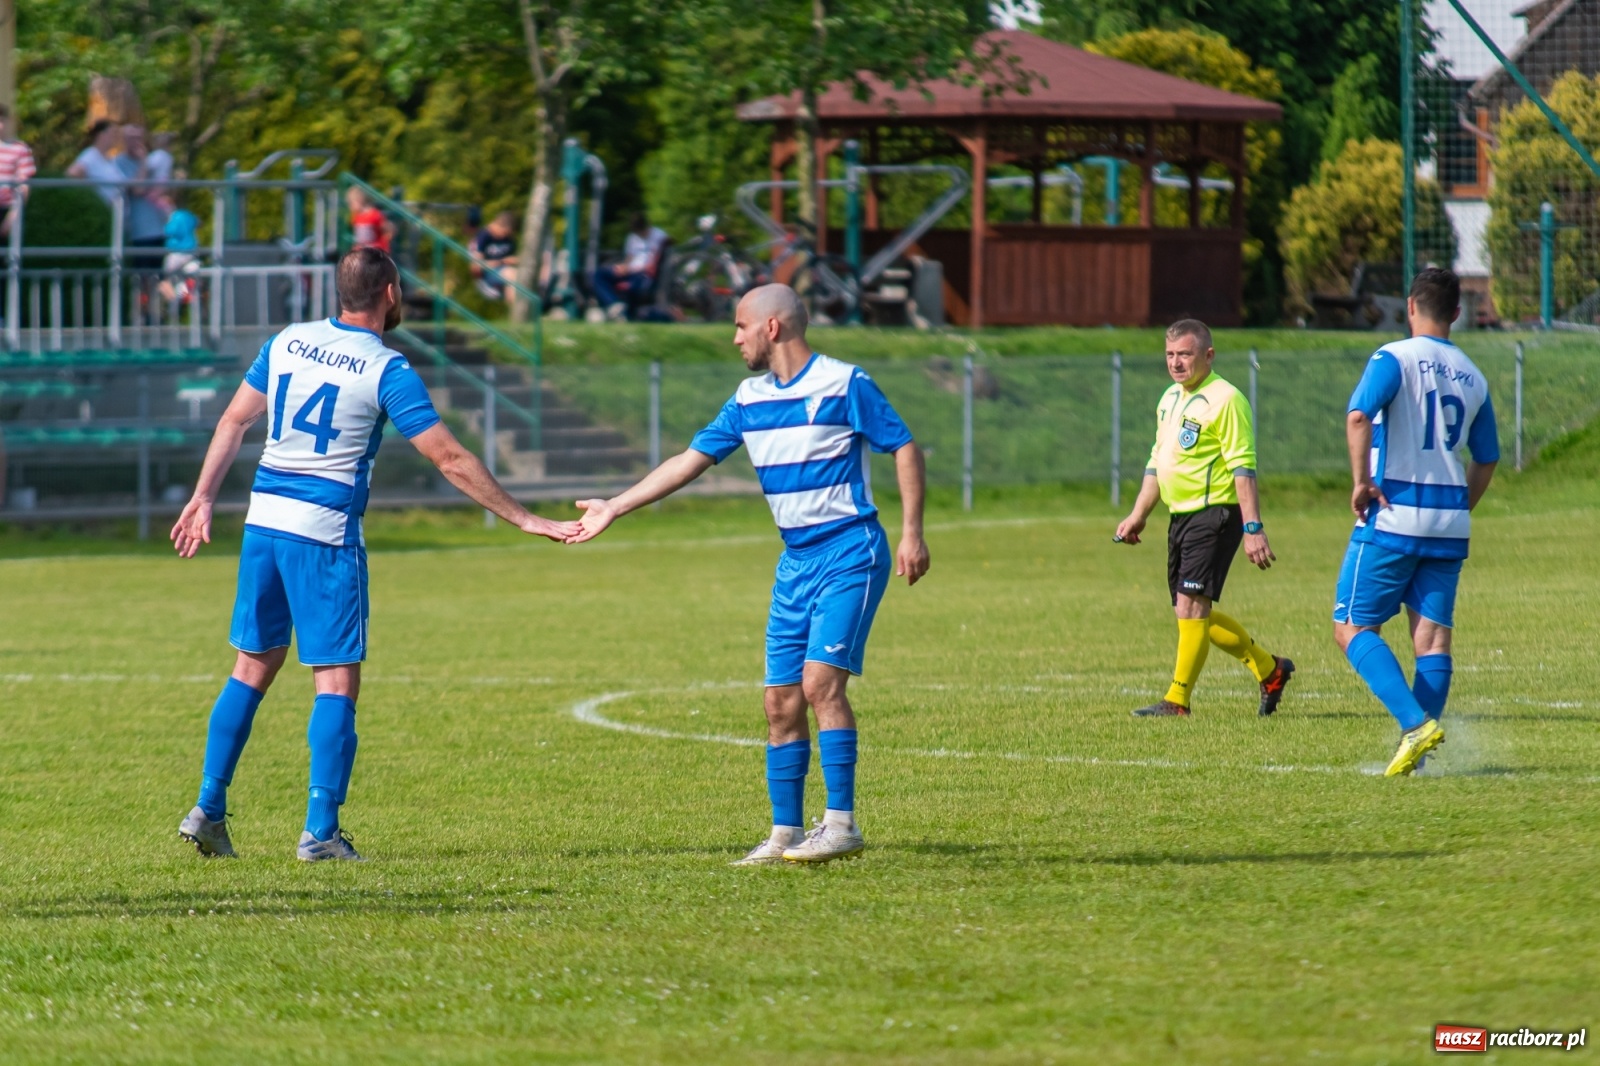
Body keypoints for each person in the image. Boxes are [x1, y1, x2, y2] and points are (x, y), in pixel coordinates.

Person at [171, 246, 580, 862]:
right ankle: (320, 833)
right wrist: (524, 517)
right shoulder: (387, 368)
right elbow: (449, 457)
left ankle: (207, 807)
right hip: (325, 531)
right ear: (390, 293)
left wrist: (203, 497)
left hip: (264, 522)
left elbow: (233, 421)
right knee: (335, 679)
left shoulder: (288, 340)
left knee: (250, 667)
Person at [567, 283, 930, 865]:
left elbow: (903, 447)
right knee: (779, 704)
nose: (734, 338)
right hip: (795, 562)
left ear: (771, 328)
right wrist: (615, 505)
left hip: (849, 549)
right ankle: (784, 834)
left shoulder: (844, 382)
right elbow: (689, 462)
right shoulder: (748, 397)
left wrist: (912, 532)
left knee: (819, 687)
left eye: (739, 326)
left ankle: (841, 826)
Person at [1332, 268, 1498, 777]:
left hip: (1394, 514)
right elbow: (1487, 456)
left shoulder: (1393, 358)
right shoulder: (1474, 375)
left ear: (1409, 307)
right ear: (1456, 313)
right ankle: (1421, 754)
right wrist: (1459, 505)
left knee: (1352, 626)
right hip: (1448, 521)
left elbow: (1359, 415)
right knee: (1432, 641)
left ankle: (1414, 725)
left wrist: (1361, 482)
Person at [1115, 319, 1294, 718]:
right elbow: (1156, 462)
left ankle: (1177, 701)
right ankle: (1270, 669)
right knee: (1191, 611)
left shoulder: (1226, 400)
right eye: (1170, 355)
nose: (1176, 363)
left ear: (1208, 355)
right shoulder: (1169, 398)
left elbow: (1243, 469)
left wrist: (1253, 529)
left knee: (1192, 607)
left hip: (1215, 515)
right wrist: (1138, 514)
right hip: (1180, 516)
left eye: (1185, 354)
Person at [593, 212, 668, 320]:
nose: (640, 235)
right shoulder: (633, 237)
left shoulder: (659, 236)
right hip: (630, 271)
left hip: (644, 274)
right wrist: (623, 266)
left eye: (641, 232)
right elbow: (630, 257)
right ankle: (614, 304)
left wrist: (633, 269)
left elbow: (654, 263)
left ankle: (623, 313)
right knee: (600, 274)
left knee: (633, 287)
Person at [117, 125, 169, 267]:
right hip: (138, 231)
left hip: (158, 228)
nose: (136, 142)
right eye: (131, 138)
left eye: (139, 138)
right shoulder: (120, 162)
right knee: (143, 277)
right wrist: (144, 163)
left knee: (159, 277)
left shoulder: (154, 160)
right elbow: (138, 189)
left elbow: (164, 189)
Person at [0, 104, 37, 238]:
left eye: (2, 120)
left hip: (7, 208)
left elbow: (24, 185)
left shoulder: (20, 149)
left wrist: (13, 215)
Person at [67, 120, 124, 205]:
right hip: (101, 212)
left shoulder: (110, 159)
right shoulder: (90, 156)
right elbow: (71, 175)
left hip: (116, 213)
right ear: (101, 135)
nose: (116, 138)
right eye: (113, 133)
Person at [471, 211, 519, 301]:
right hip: (487, 277)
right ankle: (518, 313)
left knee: (520, 275)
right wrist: (503, 261)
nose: (504, 236)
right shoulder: (483, 237)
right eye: (504, 232)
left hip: (506, 272)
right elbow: (477, 267)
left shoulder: (509, 238)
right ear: (498, 225)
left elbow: (513, 258)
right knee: (511, 273)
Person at [346, 186, 392, 253]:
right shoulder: (356, 217)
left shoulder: (375, 215)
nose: (350, 206)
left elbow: (388, 230)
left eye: (351, 203)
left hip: (375, 251)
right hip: (363, 251)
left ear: (359, 200)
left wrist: (382, 245)